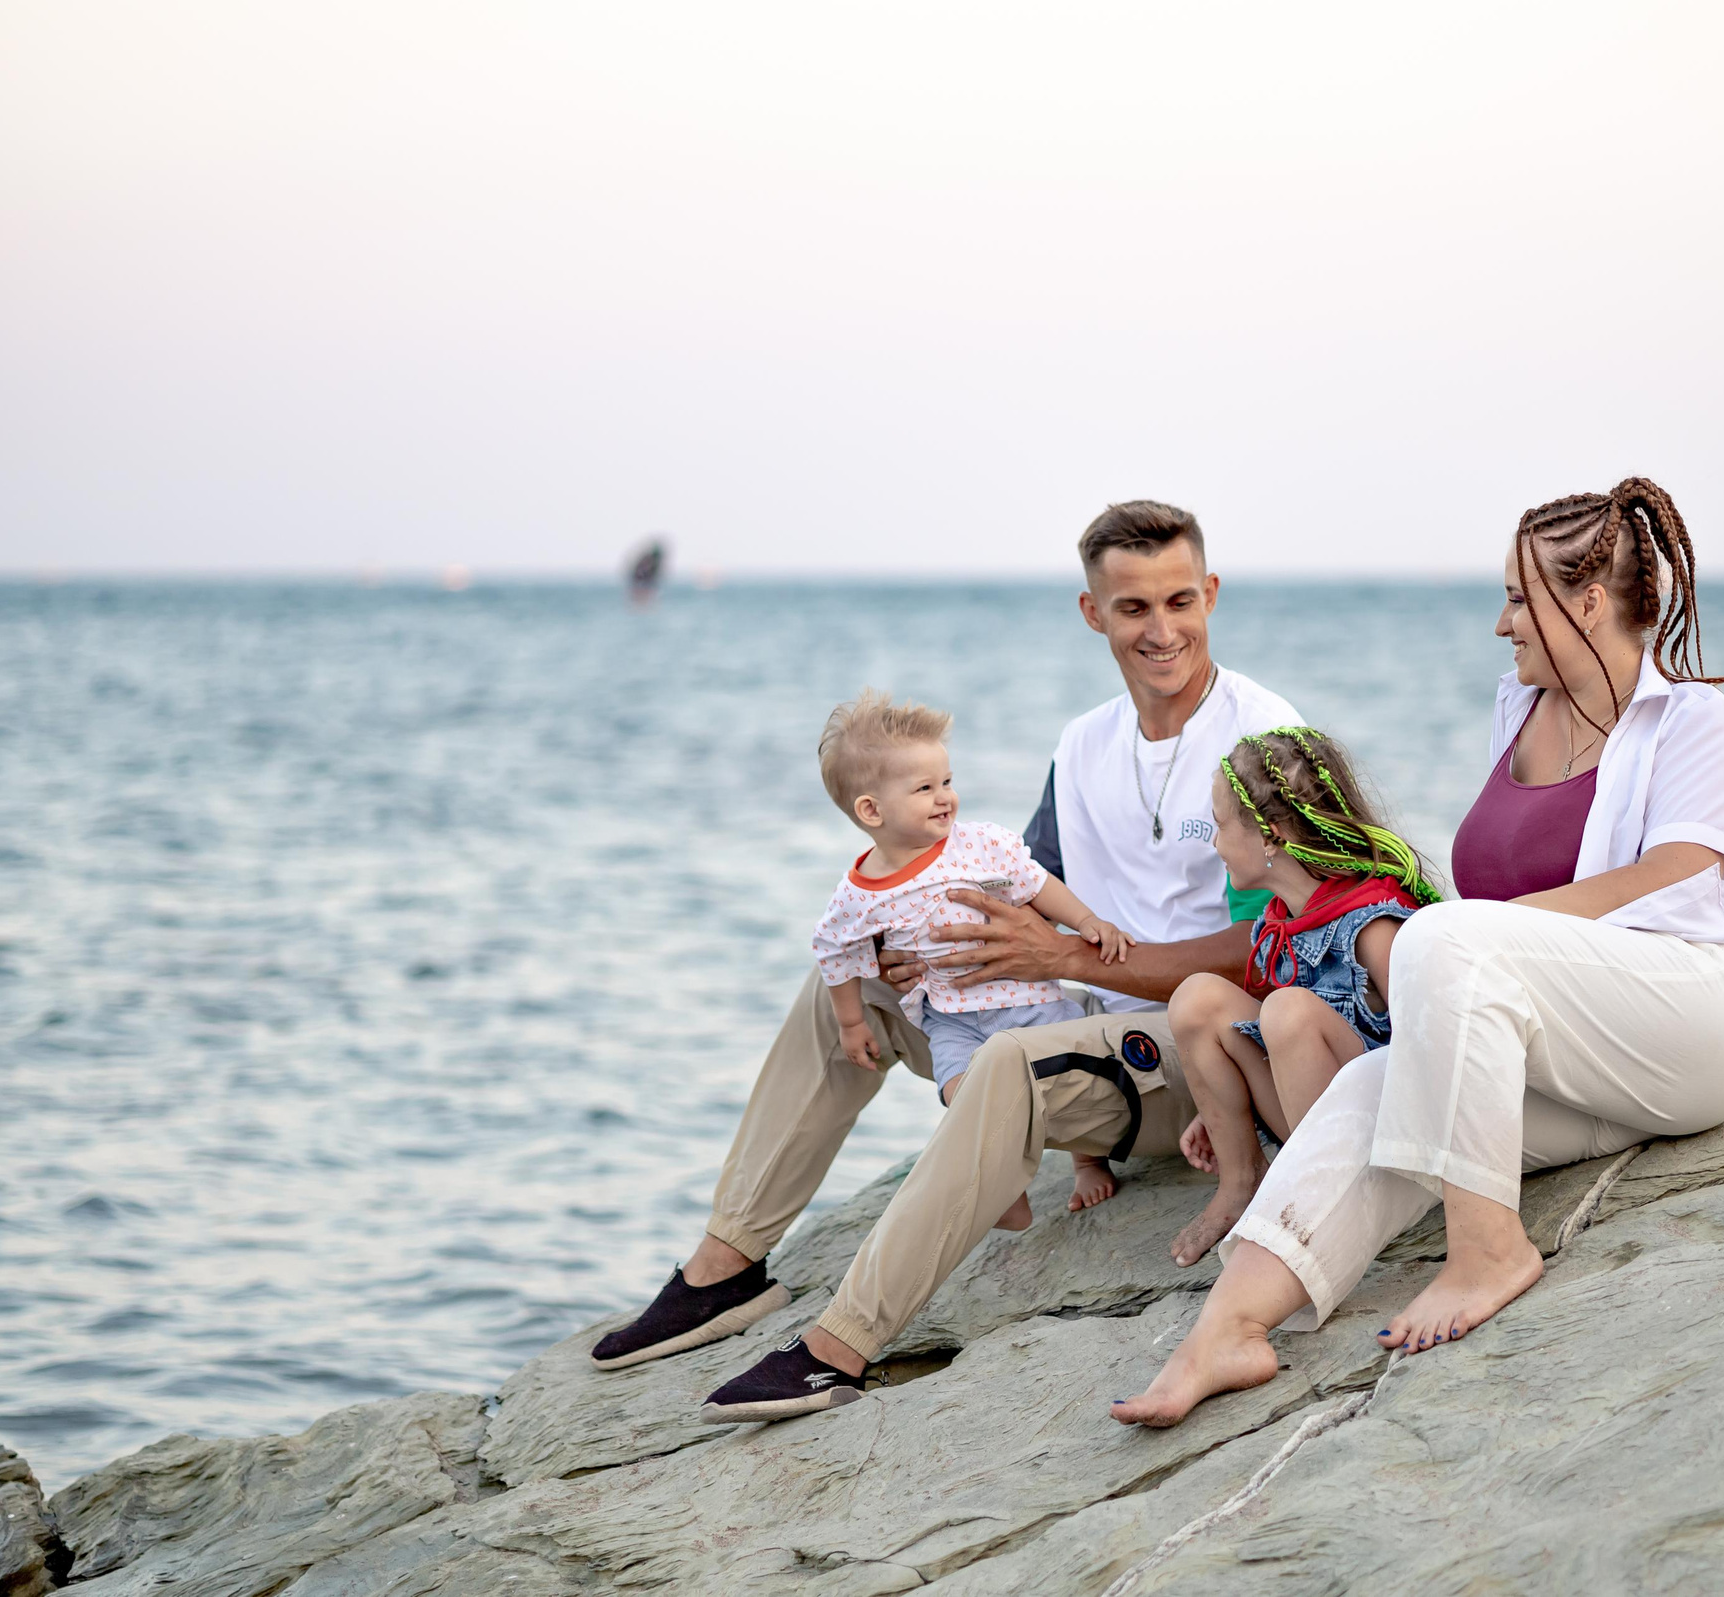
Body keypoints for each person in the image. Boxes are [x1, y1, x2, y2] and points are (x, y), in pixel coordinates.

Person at [1114, 478, 1724, 1428]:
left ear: (1585, 602)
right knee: (1379, 1083)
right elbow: (1485, 945)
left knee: (1444, 934)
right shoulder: (1522, 710)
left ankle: (1488, 1251)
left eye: (1516, 597)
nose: (1502, 623)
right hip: (1569, 1050)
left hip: (1693, 1018)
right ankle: (1230, 1330)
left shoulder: (1688, 719)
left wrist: (1490, 933)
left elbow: (1678, 874)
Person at [586, 499, 1302, 1424]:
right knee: (849, 982)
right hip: (1075, 1027)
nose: (1161, 631)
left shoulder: (1263, 736)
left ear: (1209, 594)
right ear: (1094, 614)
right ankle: (728, 1264)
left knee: (1007, 1065)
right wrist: (910, 945)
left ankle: (837, 1346)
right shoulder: (1083, 745)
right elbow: (1020, 889)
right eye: (1132, 609)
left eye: (1178, 601)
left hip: (1194, 1058)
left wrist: (1069, 956)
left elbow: (1284, 944)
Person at [809, 689, 1132, 1225]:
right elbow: (834, 951)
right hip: (950, 1018)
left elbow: (1037, 883)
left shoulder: (979, 845)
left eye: (947, 782)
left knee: (1072, 1081)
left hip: (1024, 997)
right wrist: (850, 1022)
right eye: (925, 788)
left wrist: (1087, 923)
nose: (945, 798)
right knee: (963, 1095)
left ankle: (1087, 1161)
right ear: (871, 810)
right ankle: (1004, 1185)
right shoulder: (857, 894)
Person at [1163, 727, 1440, 1269]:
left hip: (1381, 1144)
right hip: (1315, 1125)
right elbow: (1253, 1034)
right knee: (1198, 997)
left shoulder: (1374, 924)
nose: (1213, 842)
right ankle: (1242, 1185)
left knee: (1286, 1011)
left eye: (1221, 825)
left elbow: (1434, 1047)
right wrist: (1222, 1105)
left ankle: (1321, 1210)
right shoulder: (1284, 922)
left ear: (1270, 836)